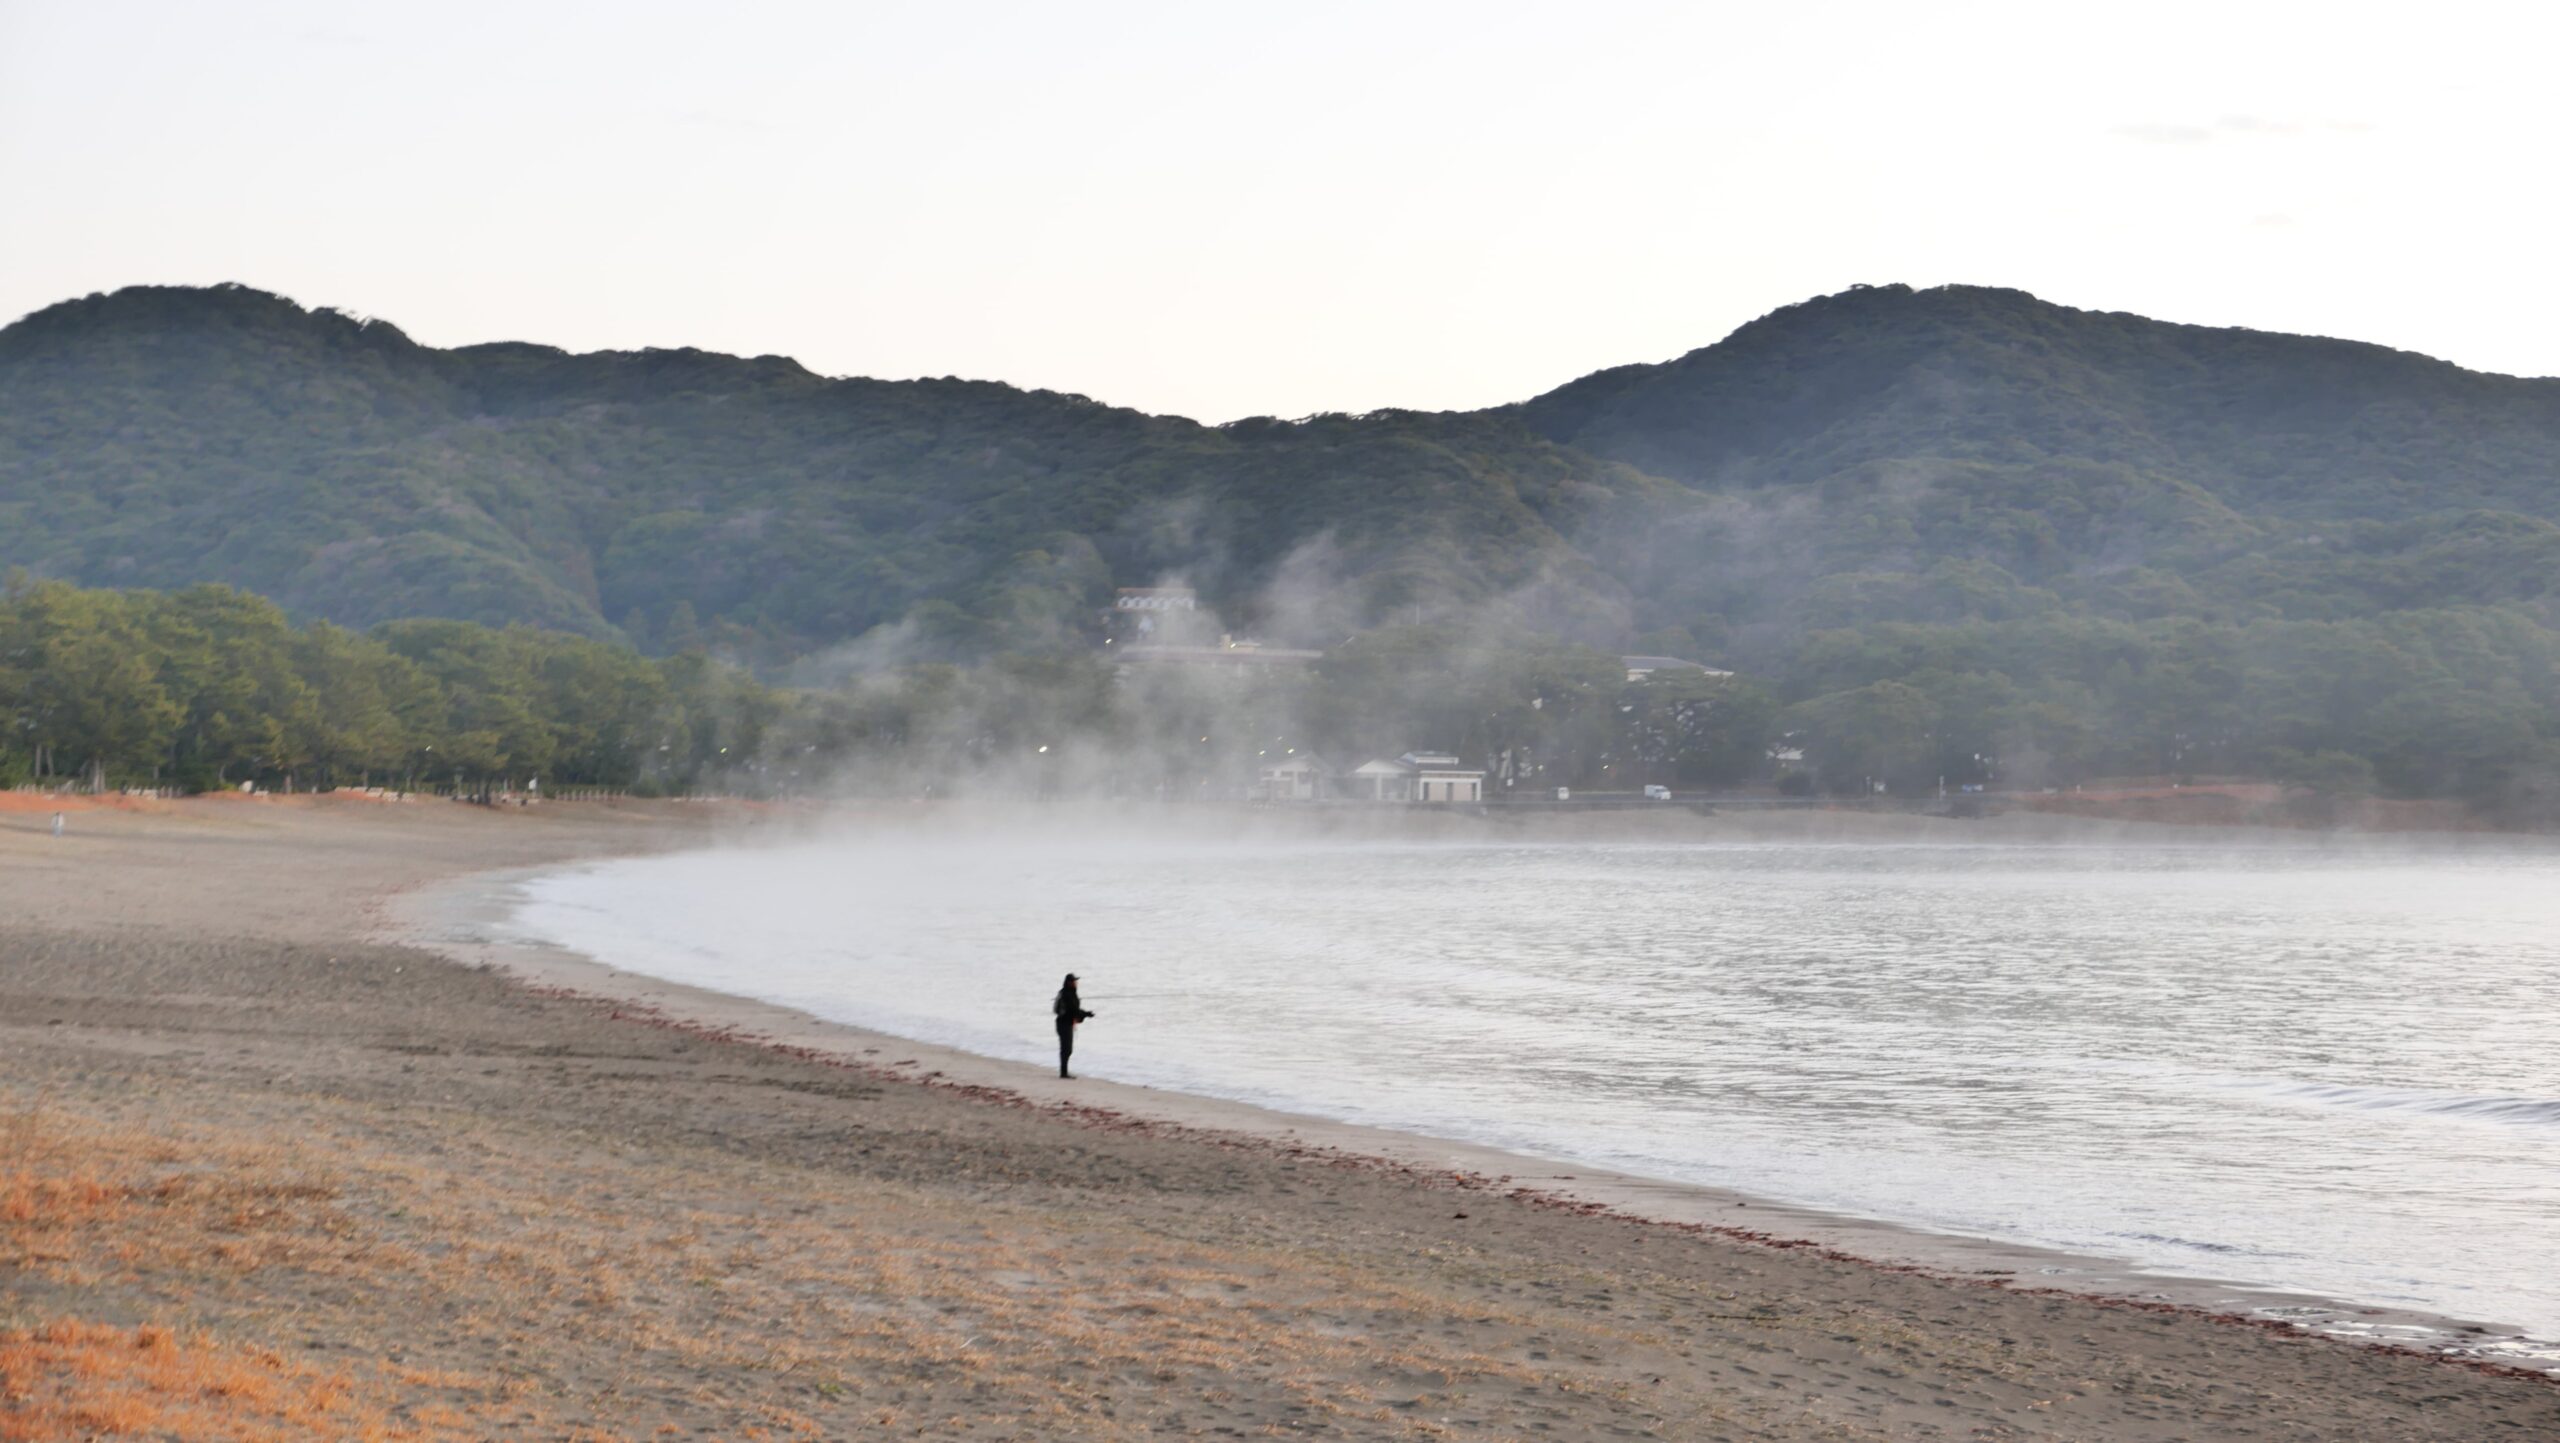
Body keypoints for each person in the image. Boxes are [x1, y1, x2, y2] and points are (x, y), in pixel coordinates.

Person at [1052, 972, 1093, 1079]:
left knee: (1066, 1049)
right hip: (1064, 1024)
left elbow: (1075, 1010)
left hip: (1065, 1023)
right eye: (1074, 981)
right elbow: (1074, 1010)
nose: (1076, 983)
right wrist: (1086, 1014)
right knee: (1066, 1049)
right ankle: (1063, 1073)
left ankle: (1064, 1072)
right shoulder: (1067, 994)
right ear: (1069, 982)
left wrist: (1084, 1014)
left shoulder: (1069, 993)